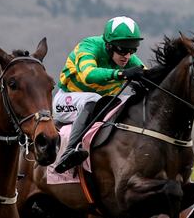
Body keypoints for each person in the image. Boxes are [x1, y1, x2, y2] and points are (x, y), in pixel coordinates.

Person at [52, 16, 147, 173]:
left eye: (132, 50)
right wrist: (121, 74)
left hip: (99, 104)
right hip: (66, 100)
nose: (127, 56)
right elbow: (89, 74)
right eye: (122, 50)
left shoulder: (128, 58)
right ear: (108, 45)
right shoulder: (89, 46)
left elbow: (150, 76)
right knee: (93, 99)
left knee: (127, 101)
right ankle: (68, 152)